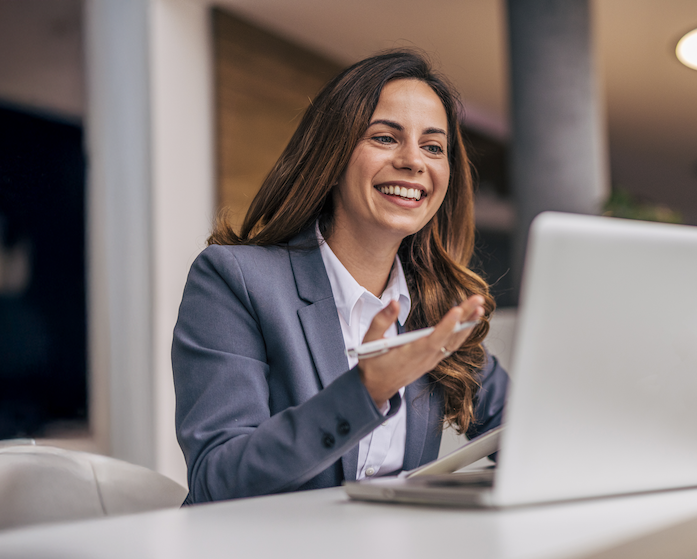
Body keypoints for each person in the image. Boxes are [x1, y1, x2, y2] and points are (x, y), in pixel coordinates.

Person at [172, 50, 509, 504]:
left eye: (433, 147)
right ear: (332, 158)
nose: (414, 161)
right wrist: (365, 391)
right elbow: (217, 479)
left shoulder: (435, 307)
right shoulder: (234, 280)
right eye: (385, 138)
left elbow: (528, 432)